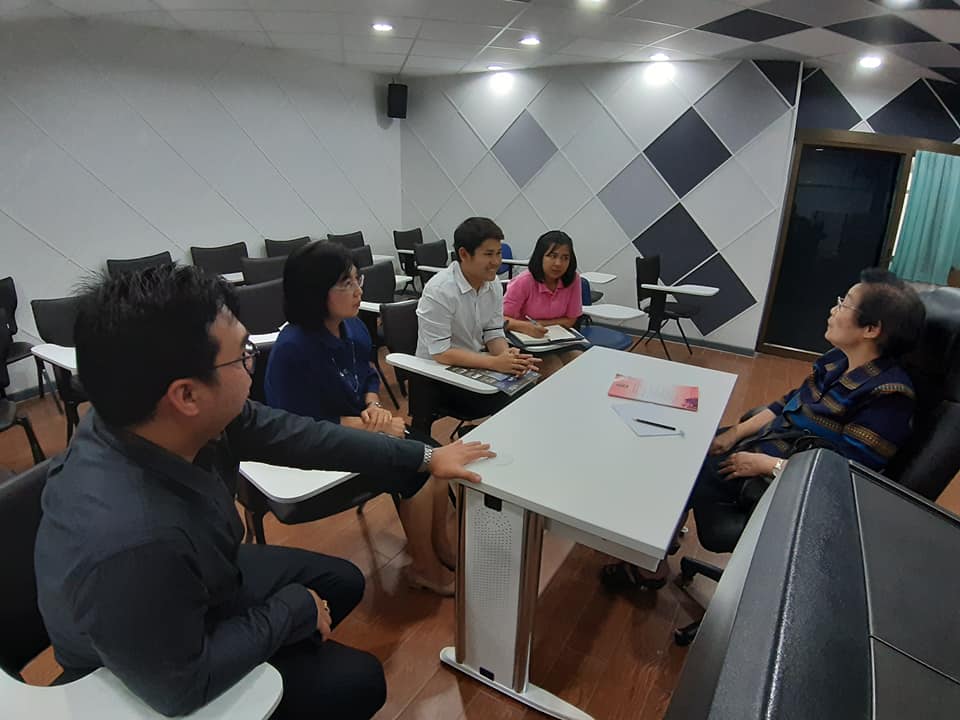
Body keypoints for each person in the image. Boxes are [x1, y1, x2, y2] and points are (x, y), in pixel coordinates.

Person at [34, 264, 494, 720]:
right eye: (243, 355)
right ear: (186, 395)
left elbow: (305, 436)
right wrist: (290, 611)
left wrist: (423, 456)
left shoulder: (160, 418)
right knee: (360, 680)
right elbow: (179, 686)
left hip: (201, 575)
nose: (252, 365)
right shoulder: (130, 540)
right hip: (139, 667)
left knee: (343, 583)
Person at [601, 268, 925, 591]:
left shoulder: (888, 396)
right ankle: (659, 541)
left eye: (844, 304)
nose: (833, 309)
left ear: (871, 329)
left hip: (791, 485)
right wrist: (734, 434)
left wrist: (768, 465)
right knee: (684, 439)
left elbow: (847, 475)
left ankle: (649, 567)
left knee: (676, 465)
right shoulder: (835, 361)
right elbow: (785, 404)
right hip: (766, 447)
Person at [265, 241, 456, 596]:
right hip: (312, 445)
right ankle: (424, 566)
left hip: (356, 429)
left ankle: (438, 545)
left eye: (358, 280)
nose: (358, 291)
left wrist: (373, 403)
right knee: (417, 471)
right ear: (314, 292)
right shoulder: (293, 347)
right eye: (346, 283)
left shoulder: (352, 327)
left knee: (437, 458)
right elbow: (299, 423)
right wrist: (373, 426)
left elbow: (368, 373)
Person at [414, 217, 539, 431]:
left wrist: (506, 357)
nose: (496, 262)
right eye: (488, 254)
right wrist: (495, 363)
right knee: (513, 396)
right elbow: (441, 353)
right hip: (438, 375)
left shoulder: (493, 285)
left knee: (526, 384)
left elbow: (493, 331)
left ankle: (491, 437)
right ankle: (484, 436)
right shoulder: (440, 291)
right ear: (464, 254)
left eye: (498, 253)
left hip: (474, 362)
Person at [503, 230, 585, 378]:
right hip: (526, 342)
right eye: (552, 256)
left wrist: (539, 324)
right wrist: (526, 327)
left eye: (565, 258)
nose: (558, 263)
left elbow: (571, 320)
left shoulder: (573, 279)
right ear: (540, 256)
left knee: (581, 364)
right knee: (554, 369)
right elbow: (501, 319)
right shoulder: (524, 281)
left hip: (560, 341)